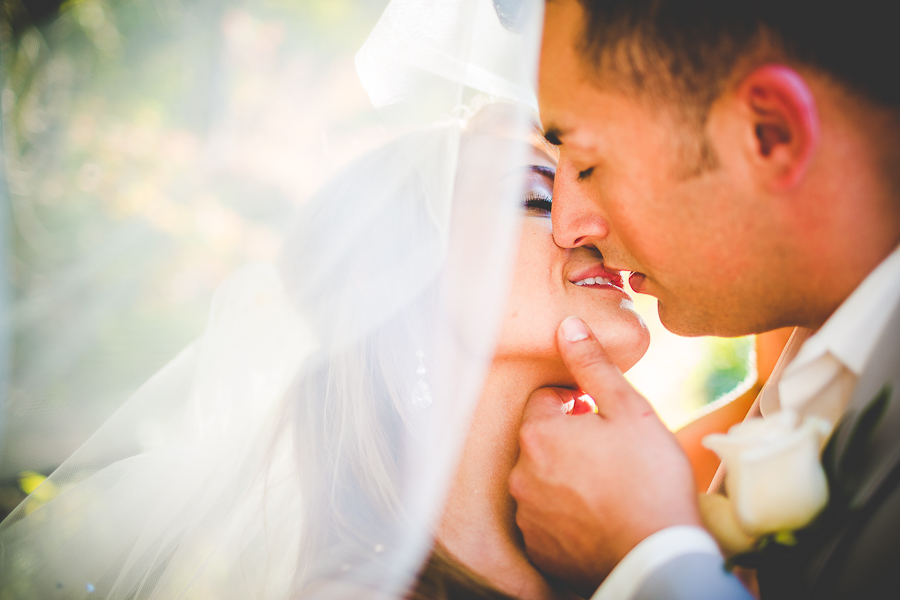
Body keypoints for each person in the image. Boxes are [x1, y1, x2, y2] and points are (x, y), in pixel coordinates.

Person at [509, 1, 900, 599]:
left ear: (770, 135)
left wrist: (647, 560)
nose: (569, 227)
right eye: (541, 191)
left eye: (586, 164)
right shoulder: (813, 364)